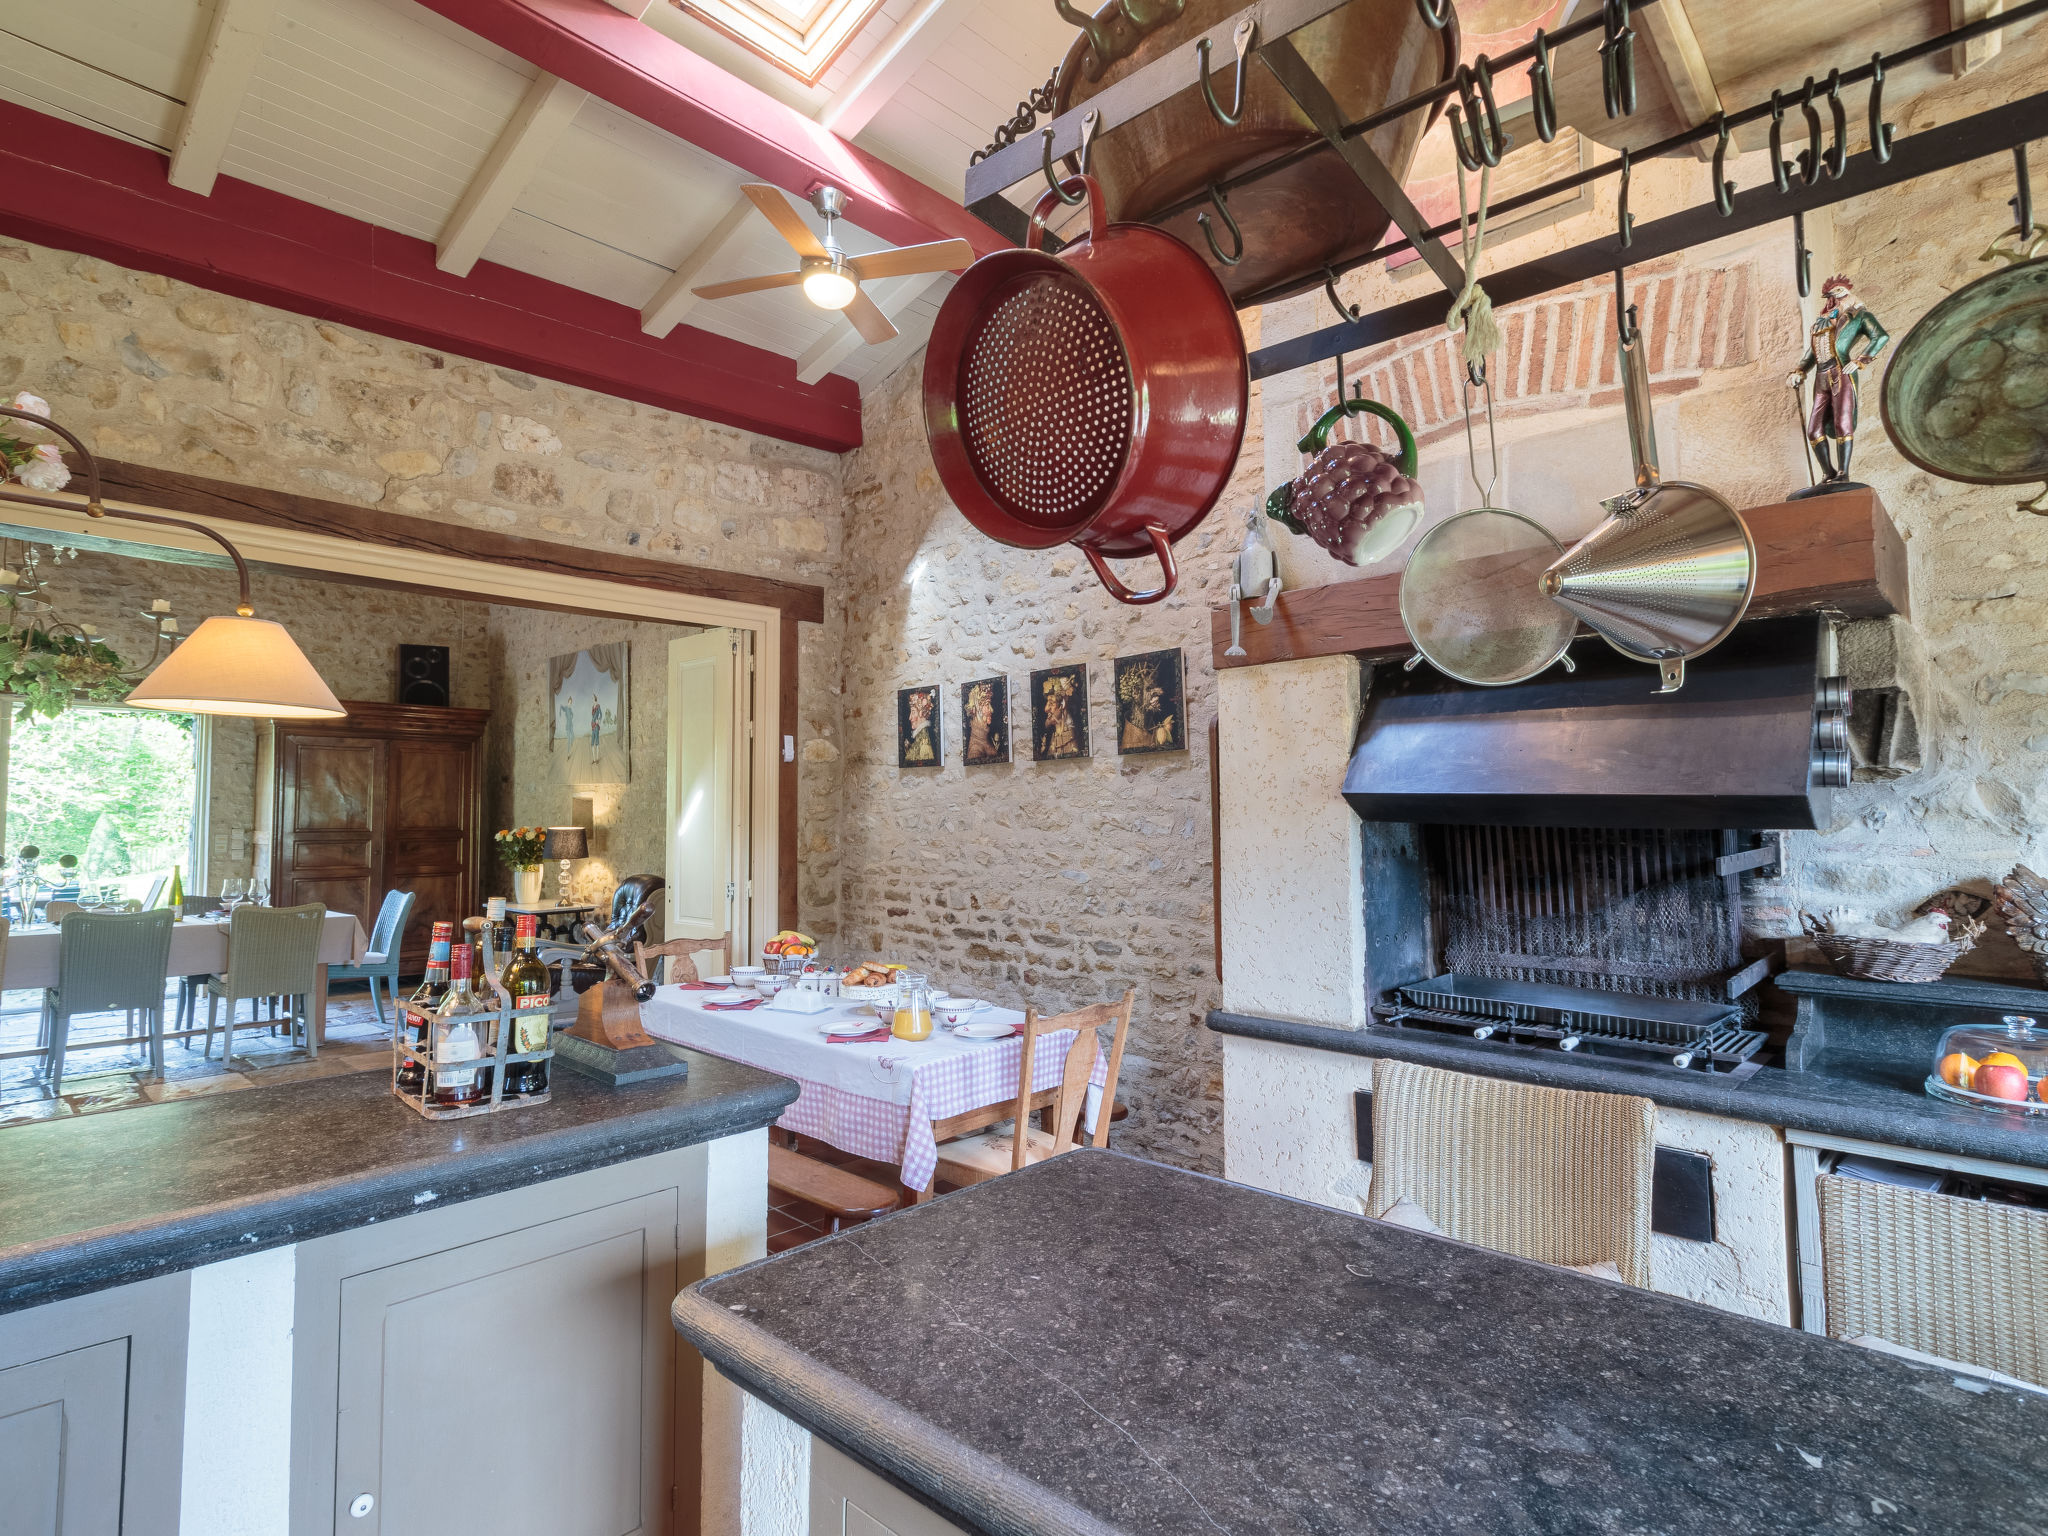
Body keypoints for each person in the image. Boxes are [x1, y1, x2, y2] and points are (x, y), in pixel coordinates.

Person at [1786, 274, 1891, 484]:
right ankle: (1828, 473)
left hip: (1841, 371)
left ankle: (1843, 473)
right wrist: (1799, 370)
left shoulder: (1859, 315)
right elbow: (1812, 352)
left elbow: (1880, 336)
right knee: (1814, 430)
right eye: (1832, 294)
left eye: (1839, 292)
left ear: (1848, 294)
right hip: (1821, 377)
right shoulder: (1820, 323)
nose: (1835, 297)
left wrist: (1861, 360)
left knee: (1842, 423)